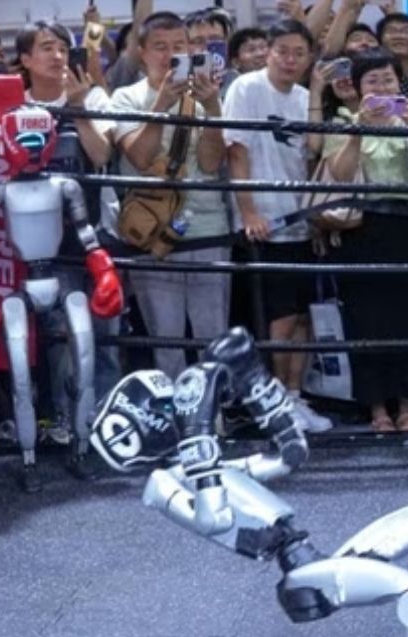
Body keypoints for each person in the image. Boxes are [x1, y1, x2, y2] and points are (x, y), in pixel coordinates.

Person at [323, 49, 408, 432]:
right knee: (366, 319)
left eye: (388, 79)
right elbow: (340, 175)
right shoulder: (343, 121)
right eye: (372, 81)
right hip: (362, 227)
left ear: (400, 83)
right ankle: (376, 408)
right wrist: (358, 130)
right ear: (359, 87)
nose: (381, 87)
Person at [224, 19, 333, 433]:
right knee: (279, 318)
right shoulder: (246, 88)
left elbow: (313, 157)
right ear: (268, 51)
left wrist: (316, 217)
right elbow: (236, 151)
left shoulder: (306, 98)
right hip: (263, 222)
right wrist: (248, 212)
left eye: (299, 53)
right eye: (282, 51)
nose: (290, 59)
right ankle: (274, 402)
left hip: (301, 219)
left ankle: (294, 396)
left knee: (302, 317)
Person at [17, 20, 122, 444]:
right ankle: (64, 417)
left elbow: (100, 155)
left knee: (105, 330)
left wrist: (78, 109)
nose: (58, 55)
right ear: (25, 59)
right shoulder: (13, 105)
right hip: (42, 239)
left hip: (94, 234)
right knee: (59, 334)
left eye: (63, 47)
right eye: (46, 47)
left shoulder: (92, 96)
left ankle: (110, 417)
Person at [110, 12, 230, 379]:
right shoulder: (126, 97)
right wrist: (160, 105)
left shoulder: (206, 96)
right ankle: (175, 407)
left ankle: (213, 406)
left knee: (214, 337)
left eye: (179, 46)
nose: (170, 55)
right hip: (151, 231)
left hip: (208, 227)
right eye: (160, 47)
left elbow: (210, 164)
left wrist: (213, 107)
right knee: (166, 340)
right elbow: (140, 157)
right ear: (142, 52)